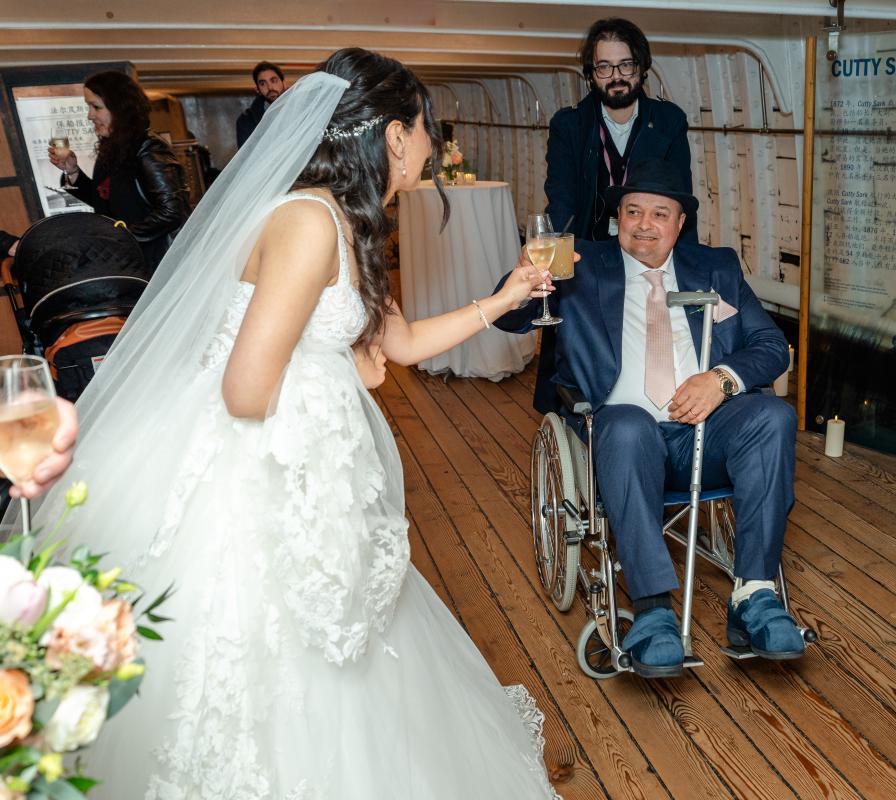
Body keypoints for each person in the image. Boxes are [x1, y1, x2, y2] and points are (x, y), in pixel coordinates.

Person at [22, 48, 560, 797]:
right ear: (394, 136)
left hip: (312, 463)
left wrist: (503, 302)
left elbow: (396, 346)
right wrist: (346, 372)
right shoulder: (307, 222)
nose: (433, 147)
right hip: (255, 474)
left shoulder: (347, 222)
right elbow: (246, 390)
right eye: (426, 128)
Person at [495, 160, 807, 678]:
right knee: (625, 422)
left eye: (659, 213)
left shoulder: (717, 267)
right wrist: (523, 275)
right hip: (625, 439)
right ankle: (653, 611)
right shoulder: (581, 265)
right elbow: (510, 319)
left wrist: (720, 379)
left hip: (709, 434)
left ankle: (755, 595)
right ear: (617, 217)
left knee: (772, 415)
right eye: (632, 211)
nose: (644, 224)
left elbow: (772, 345)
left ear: (680, 222)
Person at [533, 18, 696, 413]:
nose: (616, 76)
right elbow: (562, 199)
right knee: (582, 342)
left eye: (626, 65)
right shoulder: (569, 124)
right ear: (591, 74)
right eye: (604, 67)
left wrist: (686, 266)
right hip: (590, 252)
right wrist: (568, 267)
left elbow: (681, 199)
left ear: (641, 68)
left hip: (648, 251)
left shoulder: (668, 121)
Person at [45, 71, 189, 272]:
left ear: (119, 109)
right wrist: (72, 172)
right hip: (131, 260)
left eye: (96, 107)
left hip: (160, 262)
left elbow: (171, 212)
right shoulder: (113, 148)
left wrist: (121, 236)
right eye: (89, 107)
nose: (89, 115)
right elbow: (104, 201)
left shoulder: (149, 149)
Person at [236, 61, 287, 147]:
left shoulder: (303, 110)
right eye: (263, 83)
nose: (270, 87)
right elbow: (247, 157)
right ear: (257, 89)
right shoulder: (246, 121)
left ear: (284, 83)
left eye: (273, 81)